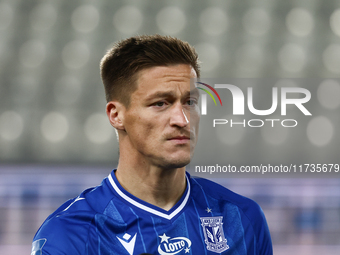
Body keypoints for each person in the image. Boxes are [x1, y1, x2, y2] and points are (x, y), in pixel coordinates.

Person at [31, 35, 273, 255]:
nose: (183, 119)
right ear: (116, 115)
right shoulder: (69, 234)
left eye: (190, 102)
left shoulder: (241, 218)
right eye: (160, 103)